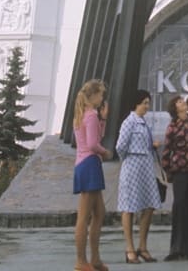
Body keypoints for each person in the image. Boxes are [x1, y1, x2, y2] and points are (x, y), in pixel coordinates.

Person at [116, 89, 162, 264]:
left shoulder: (144, 123)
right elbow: (120, 146)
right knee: (129, 207)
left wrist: (152, 146)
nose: (147, 106)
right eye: (144, 103)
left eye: (148, 103)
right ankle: (130, 248)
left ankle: (143, 246)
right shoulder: (129, 122)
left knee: (149, 205)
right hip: (133, 165)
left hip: (146, 166)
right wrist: (128, 160)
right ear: (136, 103)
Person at [73, 79, 111, 271]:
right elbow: (93, 144)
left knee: (99, 213)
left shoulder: (84, 115)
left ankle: (94, 258)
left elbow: (94, 137)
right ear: (94, 95)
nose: (102, 97)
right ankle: (81, 261)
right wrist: (105, 152)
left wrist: (102, 119)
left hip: (85, 164)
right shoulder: (90, 116)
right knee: (85, 215)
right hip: (89, 164)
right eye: (101, 94)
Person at [161, 93, 188, 261]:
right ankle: (176, 247)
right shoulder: (172, 126)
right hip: (179, 169)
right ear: (175, 108)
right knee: (179, 206)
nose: (183, 103)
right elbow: (166, 150)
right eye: (179, 102)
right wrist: (168, 170)